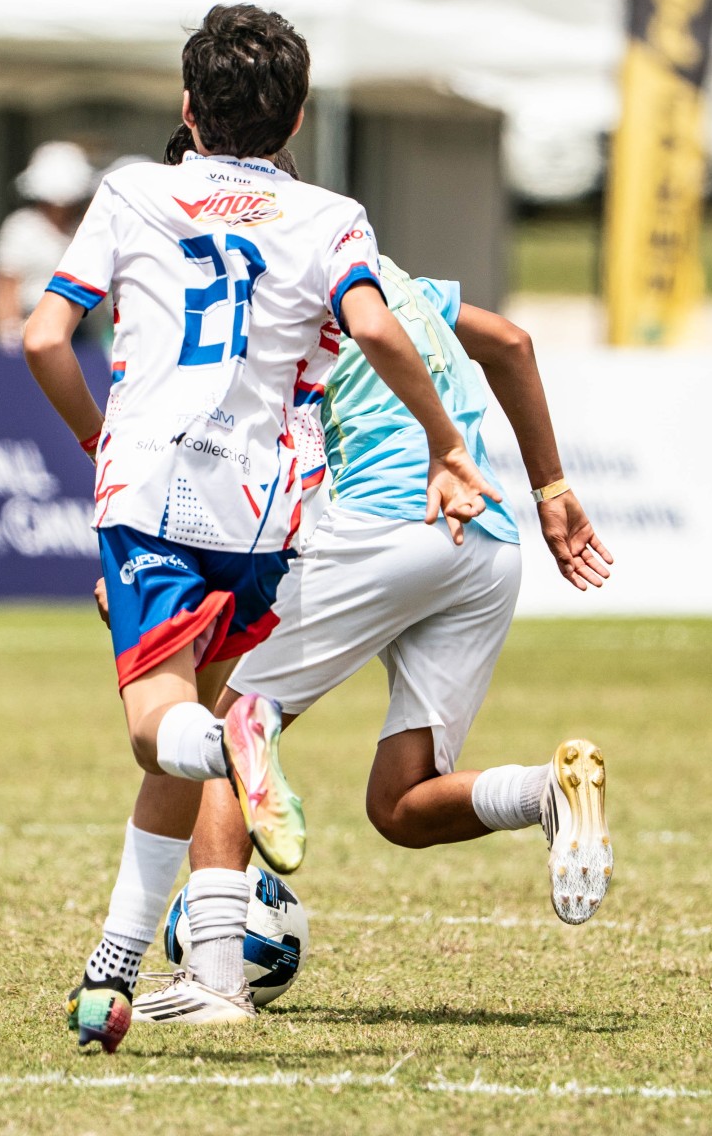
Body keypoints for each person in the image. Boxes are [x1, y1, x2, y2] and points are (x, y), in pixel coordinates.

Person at [22, 4, 494, 1054]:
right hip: (269, 510)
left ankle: (237, 745)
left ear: (188, 108)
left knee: (160, 726)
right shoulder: (332, 215)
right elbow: (375, 327)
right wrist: (445, 442)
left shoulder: (133, 191)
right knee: (186, 734)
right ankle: (113, 966)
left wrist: (101, 443)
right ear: (299, 117)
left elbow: (47, 338)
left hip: (156, 489)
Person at [132, 252, 617, 1023]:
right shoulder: (398, 284)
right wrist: (552, 488)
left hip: (387, 524)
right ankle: (545, 793)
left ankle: (216, 980)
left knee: (229, 737)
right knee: (400, 804)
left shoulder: (271, 284)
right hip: (486, 540)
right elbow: (512, 343)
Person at [0, 142, 94, 354]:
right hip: (30, 323)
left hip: (79, 326)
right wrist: (9, 331)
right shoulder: (20, 227)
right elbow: (6, 283)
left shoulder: (86, 227)